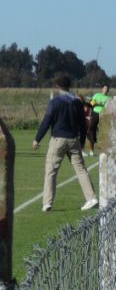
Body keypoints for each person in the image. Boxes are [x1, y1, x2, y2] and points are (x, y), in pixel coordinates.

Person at [32, 74, 98, 212]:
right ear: (69, 86)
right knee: (81, 169)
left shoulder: (54, 102)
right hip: (74, 139)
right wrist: (81, 141)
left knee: (51, 171)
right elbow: (83, 124)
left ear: (57, 86)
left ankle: (47, 202)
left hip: (58, 140)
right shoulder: (77, 102)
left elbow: (46, 121)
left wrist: (37, 139)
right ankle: (91, 198)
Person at [86, 84, 110, 156]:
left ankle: (105, 150)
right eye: (104, 88)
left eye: (107, 89)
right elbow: (90, 104)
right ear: (102, 89)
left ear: (108, 90)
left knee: (104, 133)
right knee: (90, 130)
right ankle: (91, 150)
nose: (106, 90)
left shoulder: (109, 98)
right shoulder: (97, 95)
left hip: (104, 115)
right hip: (95, 114)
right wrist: (96, 103)